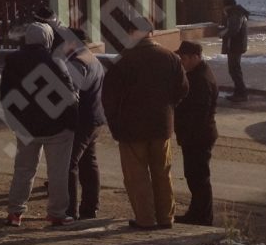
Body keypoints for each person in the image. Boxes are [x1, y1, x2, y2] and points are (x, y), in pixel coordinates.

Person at [102, 16, 189, 230]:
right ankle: (166, 217)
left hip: (131, 128)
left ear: (133, 32)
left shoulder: (124, 60)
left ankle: (146, 219)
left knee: (136, 175)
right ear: (152, 33)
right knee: (163, 172)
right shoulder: (170, 57)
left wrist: (115, 123)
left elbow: (109, 98)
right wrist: (167, 107)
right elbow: (182, 89)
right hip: (161, 125)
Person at [2, 22, 79, 227]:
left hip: (26, 128)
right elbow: (70, 97)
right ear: (48, 39)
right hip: (57, 128)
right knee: (57, 173)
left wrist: (15, 122)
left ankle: (15, 212)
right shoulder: (56, 61)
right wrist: (72, 123)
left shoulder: (12, 61)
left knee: (24, 170)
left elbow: (6, 96)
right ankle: (56, 213)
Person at [173, 41, 218, 226]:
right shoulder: (197, 74)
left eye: (183, 58)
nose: (181, 62)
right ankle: (197, 213)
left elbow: (198, 112)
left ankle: (202, 217)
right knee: (195, 176)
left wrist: (187, 132)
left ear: (195, 57)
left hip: (198, 136)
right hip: (196, 134)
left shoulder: (200, 79)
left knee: (199, 177)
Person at [63, 28, 106, 220]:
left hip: (82, 120)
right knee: (89, 163)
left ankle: (69, 209)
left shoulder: (77, 62)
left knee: (69, 163)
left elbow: (72, 95)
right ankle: (90, 207)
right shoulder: (92, 58)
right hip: (95, 117)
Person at [220, 0, 249, 102]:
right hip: (237, 45)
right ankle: (238, 92)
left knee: (234, 70)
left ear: (227, 6)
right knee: (234, 70)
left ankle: (242, 93)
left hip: (235, 46)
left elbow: (233, 29)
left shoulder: (235, 14)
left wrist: (223, 33)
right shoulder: (236, 13)